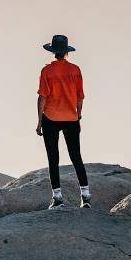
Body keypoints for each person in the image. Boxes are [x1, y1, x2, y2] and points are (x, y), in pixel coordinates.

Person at [35, 34, 90, 208]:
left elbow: (42, 98)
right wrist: (78, 114)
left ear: (53, 51)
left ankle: (57, 198)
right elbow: (80, 97)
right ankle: (86, 195)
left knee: (53, 159)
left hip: (50, 118)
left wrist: (39, 121)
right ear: (66, 52)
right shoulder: (75, 70)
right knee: (76, 157)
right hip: (71, 118)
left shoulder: (47, 71)